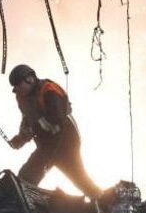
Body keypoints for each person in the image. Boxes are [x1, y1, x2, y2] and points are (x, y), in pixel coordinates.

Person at [7, 64, 102, 200]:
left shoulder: (49, 90)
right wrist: (21, 138)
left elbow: (55, 118)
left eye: (18, 85)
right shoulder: (22, 98)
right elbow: (28, 119)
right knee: (28, 176)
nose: (16, 89)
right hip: (47, 144)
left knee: (75, 176)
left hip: (65, 141)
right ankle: (100, 199)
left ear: (30, 79)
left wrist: (31, 132)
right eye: (14, 87)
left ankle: (103, 202)